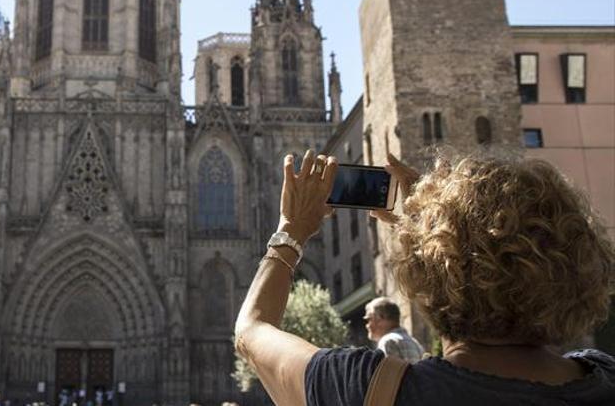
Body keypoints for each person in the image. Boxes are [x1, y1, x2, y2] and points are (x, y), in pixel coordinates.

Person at [234, 149, 615, 405]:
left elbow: (251, 331)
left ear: (423, 271)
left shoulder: (368, 388)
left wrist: (291, 231)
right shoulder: (604, 375)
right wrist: (430, 230)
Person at [364, 297, 424, 363]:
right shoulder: (415, 344)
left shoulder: (388, 342)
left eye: (369, 319)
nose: (367, 326)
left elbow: (387, 373)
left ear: (380, 318)